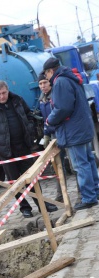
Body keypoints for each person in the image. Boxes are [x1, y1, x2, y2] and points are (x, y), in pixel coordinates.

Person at [0, 80, 58, 218]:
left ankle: (41, 205)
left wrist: (30, 130)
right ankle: (24, 208)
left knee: (32, 178)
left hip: (23, 147)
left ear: (7, 90)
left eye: (4, 93)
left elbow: (29, 116)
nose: (2, 96)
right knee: (14, 182)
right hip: (5, 151)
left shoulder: (17, 100)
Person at [43, 57, 99, 210]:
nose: (46, 78)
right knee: (88, 161)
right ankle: (95, 191)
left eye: (46, 74)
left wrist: (50, 120)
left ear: (50, 71)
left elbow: (63, 108)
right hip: (82, 127)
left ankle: (89, 197)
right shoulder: (71, 77)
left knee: (81, 165)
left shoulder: (60, 82)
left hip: (74, 130)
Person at [38, 71, 67, 202]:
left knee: (73, 165)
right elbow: (46, 120)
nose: (43, 86)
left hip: (65, 133)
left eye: (45, 82)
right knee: (57, 166)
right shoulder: (42, 99)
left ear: (49, 82)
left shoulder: (55, 96)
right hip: (53, 135)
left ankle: (81, 192)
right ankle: (61, 194)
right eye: (40, 83)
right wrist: (46, 135)